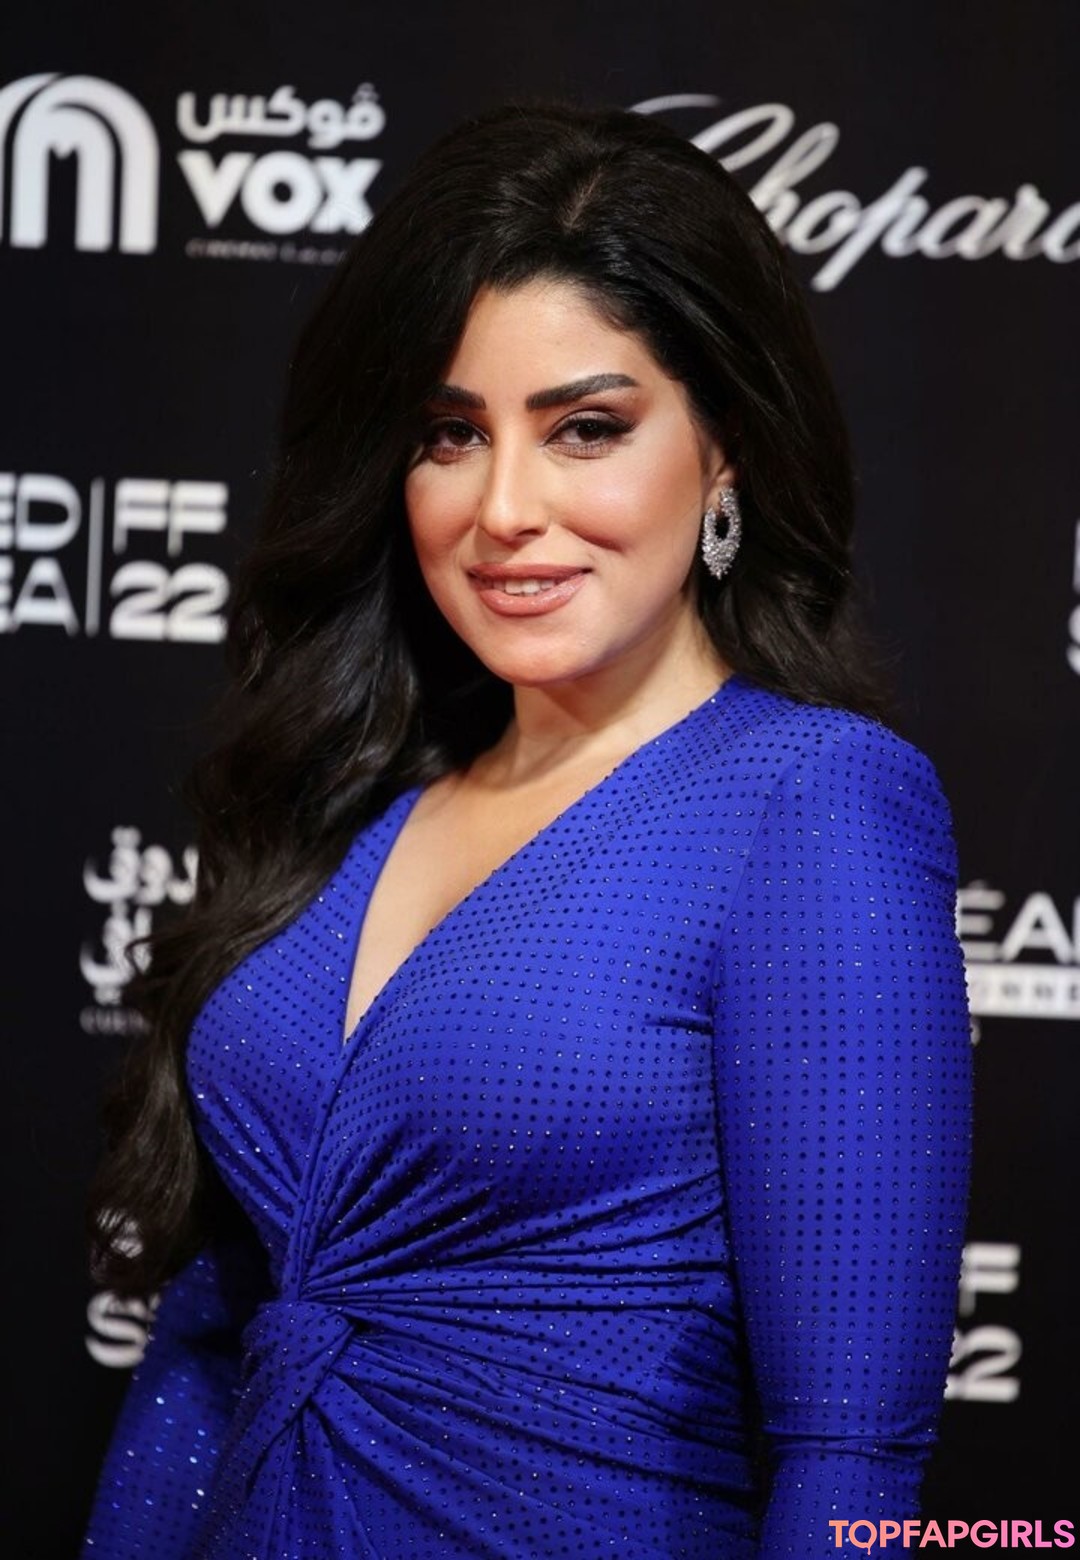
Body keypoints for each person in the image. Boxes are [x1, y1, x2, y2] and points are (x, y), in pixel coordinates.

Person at [81, 100, 972, 1559]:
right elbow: (203, 1352)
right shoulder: (346, 803)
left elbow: (850, 1463)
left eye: (586, 430)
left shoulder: (811, 803)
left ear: (727, 451)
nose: (503, 508)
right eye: (450, 434)